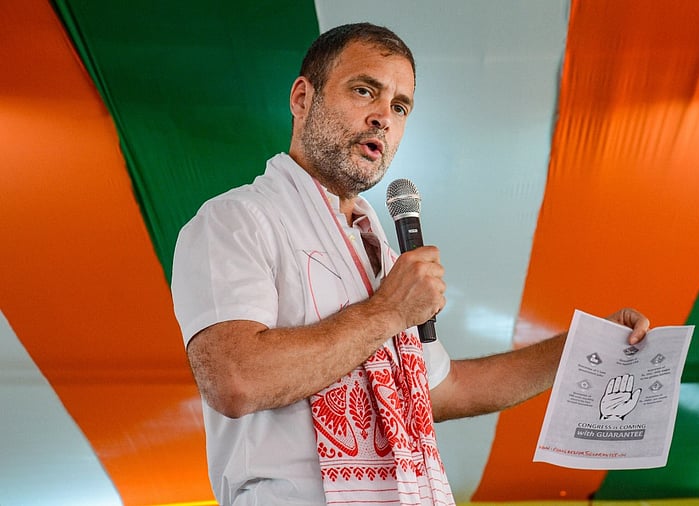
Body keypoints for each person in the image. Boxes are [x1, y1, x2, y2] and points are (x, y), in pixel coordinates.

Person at [171, 22, 650, 506]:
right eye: (364, 91)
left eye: (400, 107)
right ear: (302, 98)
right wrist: (390, 312)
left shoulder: (380, 250)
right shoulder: (236, 220)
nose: (383, 117)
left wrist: (587, 345)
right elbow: (235, 379)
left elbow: (444, 390)